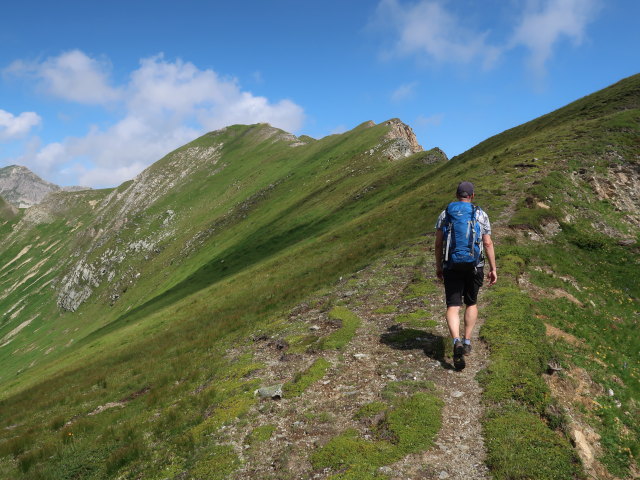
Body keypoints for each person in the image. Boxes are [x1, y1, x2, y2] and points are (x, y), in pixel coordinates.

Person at [434, 181, 497, 370]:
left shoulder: (446, 213)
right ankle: (467, 341)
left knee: (453, 306)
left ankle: (455, 341)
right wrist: (493, 268)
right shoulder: (480, 214)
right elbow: (487, 243)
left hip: (451, 265)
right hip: (474, 265)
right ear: (472, 196)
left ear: (456, 195)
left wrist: (439, 266)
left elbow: (438, 243)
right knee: (471, 302)